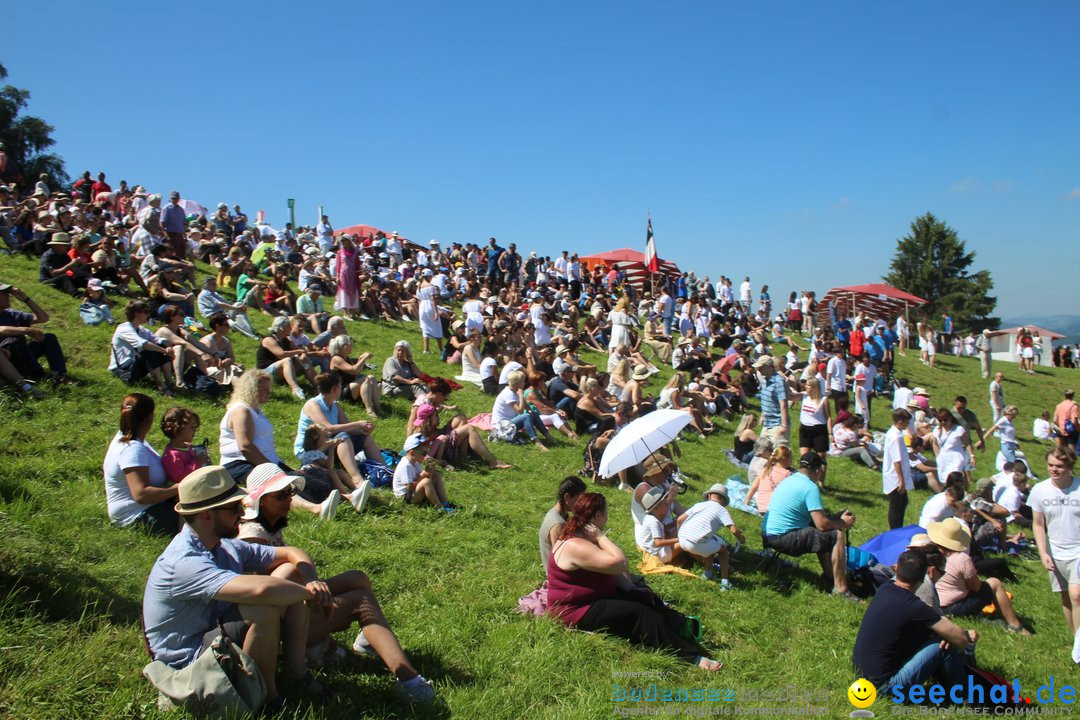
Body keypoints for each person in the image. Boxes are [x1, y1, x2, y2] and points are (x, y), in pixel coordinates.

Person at [236, 463, 436, 703]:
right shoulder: (253, 533)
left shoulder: (269, 524)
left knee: (357, 578)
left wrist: (312, 586)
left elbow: (295, 561)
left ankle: (369, 639)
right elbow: (267, 593)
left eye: (289, 492)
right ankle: (408, 679)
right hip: (286, 624)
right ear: (261, 500)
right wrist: (312, 595)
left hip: (295, 603)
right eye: (280, 495)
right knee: (362, 600)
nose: (289, 499)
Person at [142, 466, 332, 712]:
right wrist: (312, 594)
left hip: (212, 634)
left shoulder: (222, 546)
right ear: (206, 515)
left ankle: (297, 673)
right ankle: (267, 700)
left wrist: (308, 580)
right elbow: (260, 592)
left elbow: (291, 553)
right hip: (187, 662)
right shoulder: (185, 561)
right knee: (262, 611)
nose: (243, 512)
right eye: (233, 508)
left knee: (290, 574)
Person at [546, 492, 722, 671]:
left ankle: (680, 627)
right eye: (606, 514)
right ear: (598, 516)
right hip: (574, 611)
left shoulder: (581, 535)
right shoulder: (576, 544)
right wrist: (600, 537)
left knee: (645, 597)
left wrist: (632, 589)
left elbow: (612, 573)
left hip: (594, 598)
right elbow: (620, 563)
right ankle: (690, 656)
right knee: (640, 613)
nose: (607, 518)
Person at [852, 550, 978, 695]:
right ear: (924, 576)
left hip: (860, 676)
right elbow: (960, 639)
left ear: (897, 568)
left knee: (934, 636)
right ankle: (965, 694)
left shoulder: (884, 589)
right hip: (883, 687)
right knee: (942, 645)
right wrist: (960, 637)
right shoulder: (914, 606)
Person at [763, 454, 857, 599]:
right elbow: (822, 525)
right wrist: (843, 523)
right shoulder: (810, 487)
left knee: (823, 533)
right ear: (818, 470)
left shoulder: (789, 479)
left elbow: (819, 522)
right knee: (836, 534)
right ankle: (841, 588)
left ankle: (829, 576)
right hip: (784, 538)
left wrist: (834, 518)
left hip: (769, 535)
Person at [928, 518, 1031, 634]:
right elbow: (976, 587)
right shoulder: (961, 559)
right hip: (955, 607)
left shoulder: (929, 554)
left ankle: (983, 616)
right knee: (994, 583)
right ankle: (1016, 626)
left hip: (936, 605)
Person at [102, 393, 179, 536]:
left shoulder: (129, 441)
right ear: (150, 417)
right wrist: (180, 487)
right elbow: (141, 495)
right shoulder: (132, 449)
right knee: (202, 521)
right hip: (136, 515)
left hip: (146, 508)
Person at [1029, 446, 1080, 634]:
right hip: (1055, 551)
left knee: (1077, 596)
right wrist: (1043, 553)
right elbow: (1038, 524)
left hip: (1078, 551)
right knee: (1066, 598)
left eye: (1059, 466)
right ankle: (1077, 640)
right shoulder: (1039, 490)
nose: (1053, 469)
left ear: (1069, 466)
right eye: (1050, 465)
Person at [0, 282, 70, 386]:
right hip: (6, 359)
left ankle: (59, 375)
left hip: (22, 353)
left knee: (49, 338)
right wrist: (27, 330)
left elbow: (43, 318)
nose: (8, 296)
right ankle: (39, 375)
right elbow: (1, 330)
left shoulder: (11, 314)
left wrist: (26, 299)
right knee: (14, 341)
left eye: (8, 293)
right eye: (3, 293)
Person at [677, 484, 746, 589]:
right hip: (695, 543)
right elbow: (734, 529)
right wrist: (741, 539)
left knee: (710, 545)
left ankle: (708, 574)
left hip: (682, 540)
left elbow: (679, 519)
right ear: (723, 501)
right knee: (723, 551)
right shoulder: (722, 510)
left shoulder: (699, 505)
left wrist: (680, 535)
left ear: (709, 496)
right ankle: (725, 582)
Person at [109, 300, 178, 395]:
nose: (148, 314)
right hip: (123, 370)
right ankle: (161, 385)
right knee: (149, 351)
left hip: (135, 366)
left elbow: (158, 339)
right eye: (145, 312)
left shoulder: (141, 329)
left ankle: (169, 382)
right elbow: (142, 344)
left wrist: (167, 346)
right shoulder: (124, 328)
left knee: (157, 347)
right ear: (136, 314)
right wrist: (164, 350)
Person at [392, 433, 456, 511]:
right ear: (412, 453)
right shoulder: (405, 465)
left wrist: (430, 473)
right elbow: (409, 487)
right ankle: (440, 508)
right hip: (406, 497)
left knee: (436, 475)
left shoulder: (416, 462)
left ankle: (445, 503)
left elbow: (420, 479)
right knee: (426, 482)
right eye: (423, 453)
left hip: (414, 492)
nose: (425, 456)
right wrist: (423, 475)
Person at [257, 316, 316, 400]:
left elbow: (301, 351)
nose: (291, 328)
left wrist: (303, 356)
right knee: (287, 360)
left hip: (278, 372)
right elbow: (281, 354)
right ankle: (296, 389)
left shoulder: (286, 340)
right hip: (265, 373)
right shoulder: (268, 340)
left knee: (303, 361)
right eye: (289, 326)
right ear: (281, 328)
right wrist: (299, 352)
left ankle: (318, 385)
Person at [328, 334, 381, 417]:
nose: (352, 346)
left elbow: (356, 370)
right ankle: (369, 409)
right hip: (342, 392)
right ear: (345, 346)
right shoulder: (336, 359)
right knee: (365, 379)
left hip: (350, 387)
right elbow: (354, 370)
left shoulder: (345, 357)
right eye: (350, 345)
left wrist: (361, 358)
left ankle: (377, 407)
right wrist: (364, 358)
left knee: (372, 377)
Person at [540, 476, 588, 568]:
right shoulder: (558, 524)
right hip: (557, 577)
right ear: (567, 497)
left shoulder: (557, 513)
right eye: (579, 500)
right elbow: (560, 558)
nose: (581, 504)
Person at [160, 406, 210, 487]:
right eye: (192, 427)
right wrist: (196, 463)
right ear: (179, 428)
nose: (195, 430)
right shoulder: (172, 455)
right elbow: (179, 477)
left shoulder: (187, 447)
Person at [882, 409, 914, 529]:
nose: (908, 425)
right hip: (895, 477)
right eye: (907, 422)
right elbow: (896, 460)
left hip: (897, 475)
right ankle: (895, 529)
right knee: (896, 505)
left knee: (903, 502)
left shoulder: (894, 433)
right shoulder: (896, 437)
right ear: (900, 422)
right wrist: (901, 480)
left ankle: (898, 527)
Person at [744, 445, 792, 513]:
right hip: (776, 510)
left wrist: (746, 502)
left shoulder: (766, 470)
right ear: (785, 459)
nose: (791, 460)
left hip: (761, 507)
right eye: (791, 458)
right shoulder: (787, 474)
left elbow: (753, 487)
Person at [755, 356, 789, 448]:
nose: (759, 369)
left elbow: (783, 404)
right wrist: (762, 415)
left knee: (779, 455)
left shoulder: (778, 381)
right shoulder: (764, 380)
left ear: (769, 367)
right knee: (761, 452)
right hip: (767, 423)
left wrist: (784, 425)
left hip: (777, 425)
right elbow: (767, 400)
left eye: (761, 367)